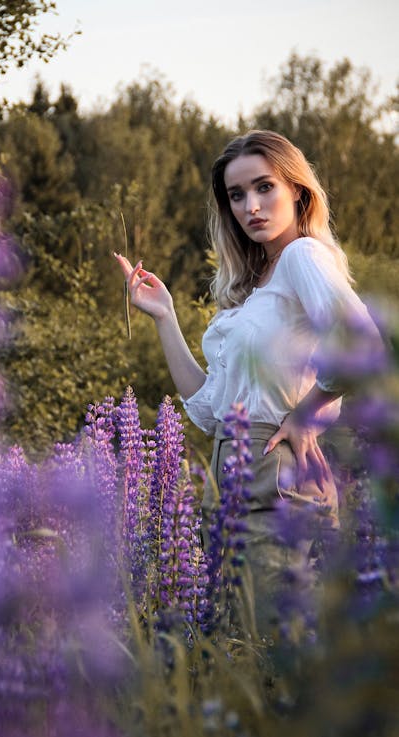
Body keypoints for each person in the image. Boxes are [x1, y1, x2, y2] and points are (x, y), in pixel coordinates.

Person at [114, 129, 381, 635]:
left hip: (277, 477)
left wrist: (306, 413)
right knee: (248, 648)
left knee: (274, 649)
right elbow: (209, 408)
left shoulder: (303, 257)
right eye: (236, 195)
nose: (250, 206)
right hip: (234, 478)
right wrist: (165, 316)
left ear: (297, 191)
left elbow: (363, 346)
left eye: (264, 188)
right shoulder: (256, 287)